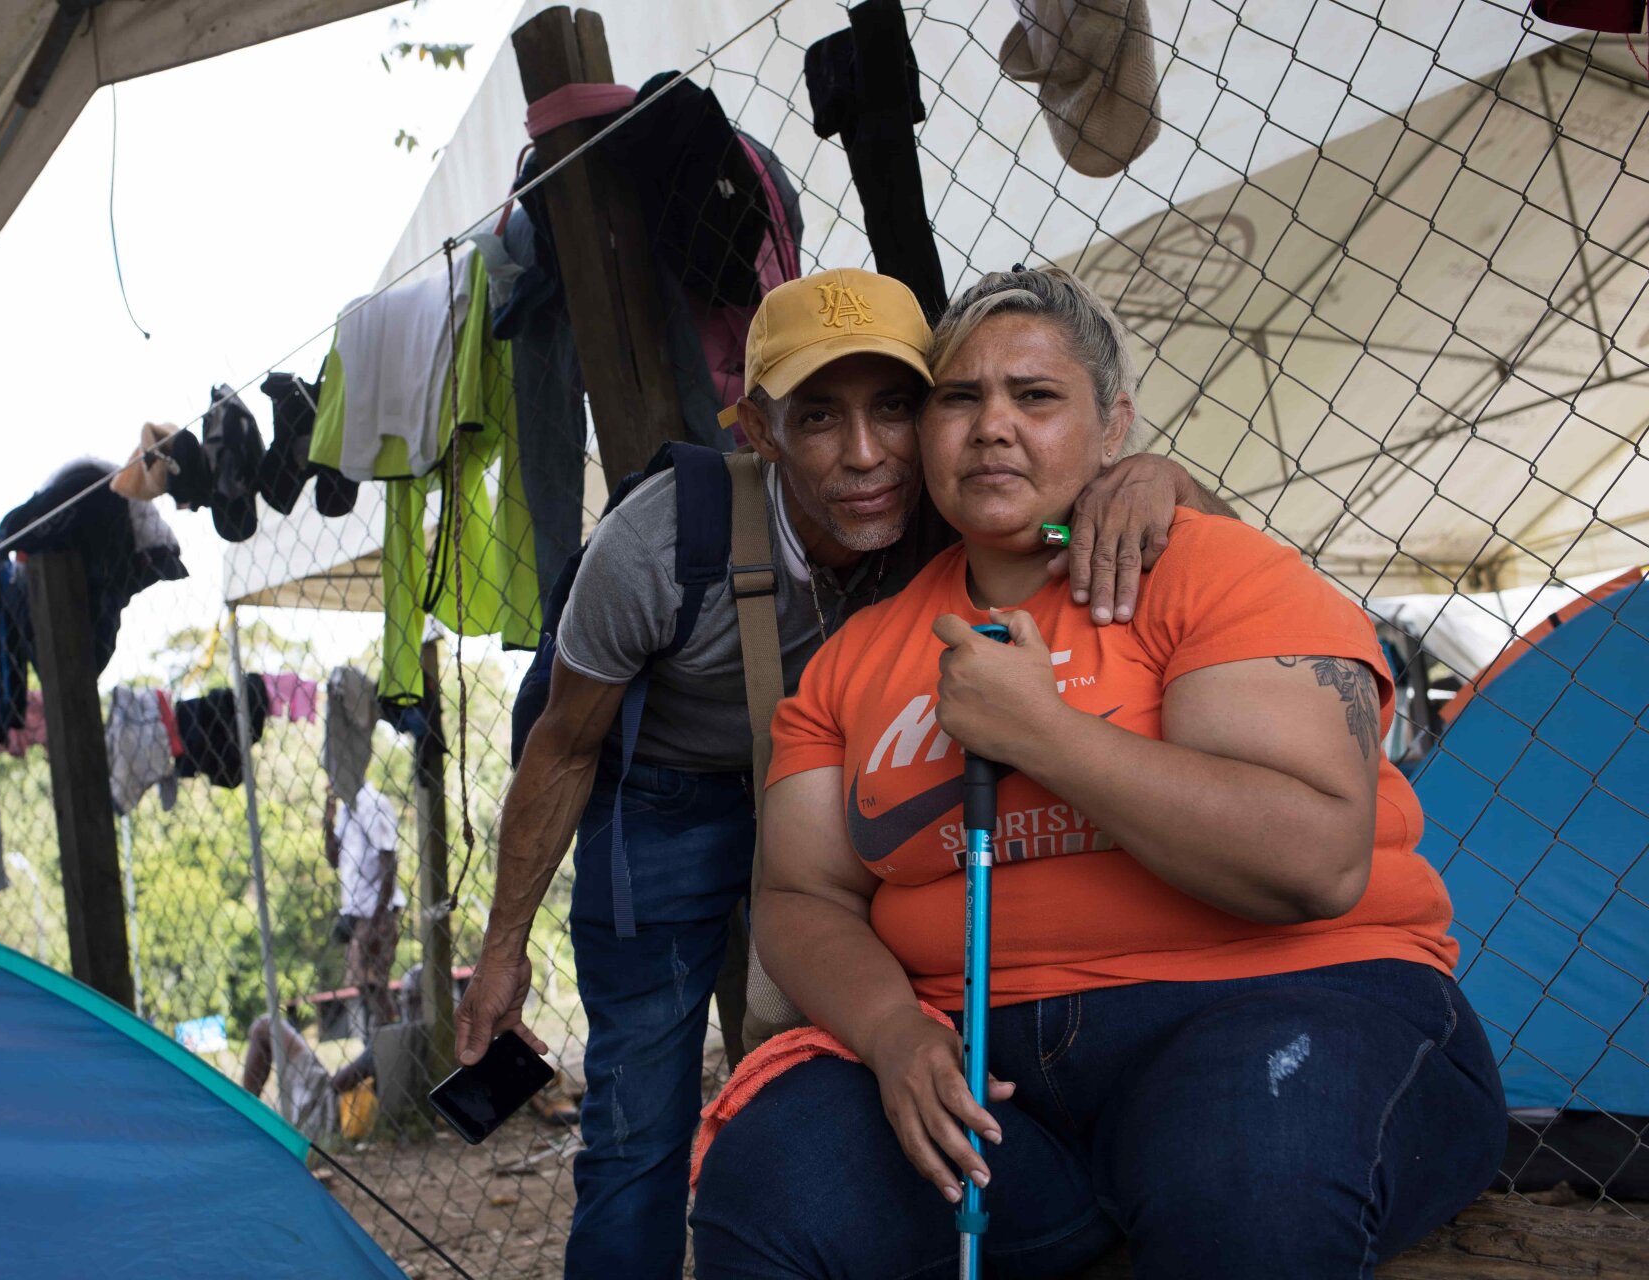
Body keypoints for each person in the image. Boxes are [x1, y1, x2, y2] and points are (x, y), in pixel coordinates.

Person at [689, 267, 1506, 1279]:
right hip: (982, 1073)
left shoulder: (1216, 569)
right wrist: (892, 1028)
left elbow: (1312, 859)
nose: (993, 426)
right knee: (775, 1175)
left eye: (1035, 396)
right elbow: (803, 893)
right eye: (959, 397)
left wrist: (1046, 731)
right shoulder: (858, 656)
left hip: (1280, 1004)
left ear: (1112, 425)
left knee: (1244, 1180)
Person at [454, 267, 1232, 1280]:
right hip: (664, 797)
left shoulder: (958, 509)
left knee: (852, 1066)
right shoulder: (653, 546)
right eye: (819, 417)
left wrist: (1162, 480)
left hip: (842, 802)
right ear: (758, 429)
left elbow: (1148, 539)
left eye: (896, 408)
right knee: (642, 1116)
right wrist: (504, 945)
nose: (866, 455)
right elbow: (561, 744)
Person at [328, 778, 405, 1031]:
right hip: (357, 912)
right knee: (366, 985)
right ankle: (383, 1040)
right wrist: (326, 820)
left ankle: (390, 1038)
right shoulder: (345, 808)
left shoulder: (372, 803)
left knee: (374, 985)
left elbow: (389, 862)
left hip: (377, 911)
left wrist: (377, 920)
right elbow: (333, 858)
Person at [242, 1014, 376, 1145]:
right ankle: (244, 1113)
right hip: (333, 1101)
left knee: (264, 1027)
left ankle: (243, 1114)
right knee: (266, 1026)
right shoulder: (388, 1032)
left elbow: (340, 1083)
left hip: (327, 1105)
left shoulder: (387, 1038)